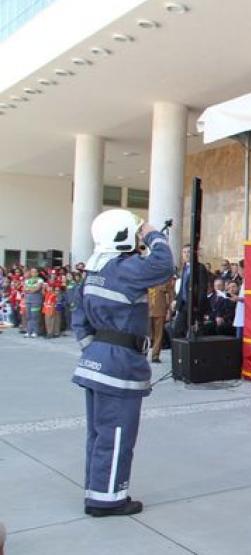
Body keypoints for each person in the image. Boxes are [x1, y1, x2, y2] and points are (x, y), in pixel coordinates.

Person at [71, 208, 173, 517]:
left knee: (99, 434)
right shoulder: (125, 269)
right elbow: (164, 265)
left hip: (95, 360)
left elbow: (80, 323)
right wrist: (153, 234)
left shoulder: (93, 273)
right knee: (116, 434)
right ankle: (108, 500)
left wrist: (96, 354)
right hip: (119, 364)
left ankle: (97, 490)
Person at [173, 244, 210, 339]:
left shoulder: (200, 268)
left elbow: (202, 289)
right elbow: (182, 287)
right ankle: (181, 352)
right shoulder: (185, 267)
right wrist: (176, 299)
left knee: (196, 331)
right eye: (184, 252)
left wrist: (197, 306)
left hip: (194, 304)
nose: (186, 254)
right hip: (184, 304)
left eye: (189, 252)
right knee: (178, 329)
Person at [148, 276, 173, 363]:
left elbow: (171, 295)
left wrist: (170, 311)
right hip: (146, 309)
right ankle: (142, 353)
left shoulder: (165, 277)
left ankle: (155, 355)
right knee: (145, 334)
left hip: (160, 310)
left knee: (159, 334)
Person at [23, 267, 44, 338]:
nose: (33, 273)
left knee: (35, 316)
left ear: (38, 273)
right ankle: (29, 331)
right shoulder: (27, 280)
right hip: (28, 300)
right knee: (28, 316)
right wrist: (31, 289)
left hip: (36, 300)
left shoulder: (40, 280)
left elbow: (37, 289)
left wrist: (29, 289)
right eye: (32, 272)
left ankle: (35, 331)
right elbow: (24, 289)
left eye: (35, 272)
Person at [232, 259, 245, 339]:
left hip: (244, 318)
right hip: (240, 316)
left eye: (239, 269)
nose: (238, 271)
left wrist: (238, 298)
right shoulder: (244, 281)